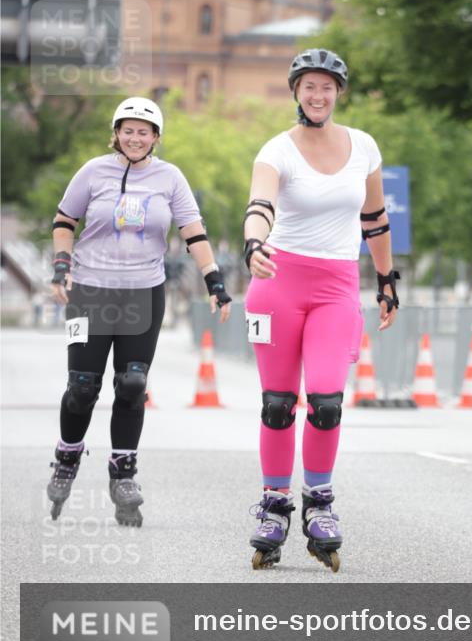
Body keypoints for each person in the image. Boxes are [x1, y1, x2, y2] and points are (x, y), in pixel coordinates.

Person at [243, 49, 399, 572]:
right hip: (278, 282)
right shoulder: (277, 149)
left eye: (326, 87)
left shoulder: (364, 147)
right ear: (296, 92)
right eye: (308, 86)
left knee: (327, 402)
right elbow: (260, 204)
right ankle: (273, 506)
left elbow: (374, 218)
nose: (317, 95)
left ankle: (320, 504)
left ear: (338, 93)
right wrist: (253, 245)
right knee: (278, 403)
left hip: (336, 286)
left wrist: (386, 280)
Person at [47, 97, 231, 526]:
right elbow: (63, 220)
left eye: (143, 131)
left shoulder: (170, 178)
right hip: (88, 293)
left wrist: (214, 281)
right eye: (127, 130)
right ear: (116, 133)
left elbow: (193, 231)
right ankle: (67, 456)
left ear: (156, 138)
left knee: (132, 384)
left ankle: (123, 472)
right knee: (82, 387)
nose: (134, 138)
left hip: (142, 294)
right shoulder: (93, 171)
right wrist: (61, 266)